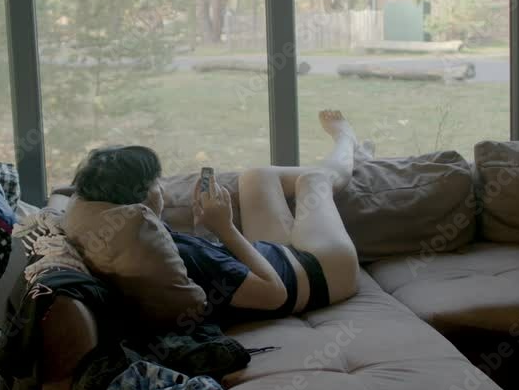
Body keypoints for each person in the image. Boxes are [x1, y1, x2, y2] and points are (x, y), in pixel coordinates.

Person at [70, 110, 369, 324]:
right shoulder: (185, 255)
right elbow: (275, 294)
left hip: (276, 256)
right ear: (143, 196)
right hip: (324, 270)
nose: (162, 188)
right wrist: (224, 228)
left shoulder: (134, 237)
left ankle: (350, 156)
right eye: (155, 183)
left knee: (255, 176)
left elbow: (212, 265)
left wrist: (206, 229)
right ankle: (347, 141)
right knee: (314, 180)